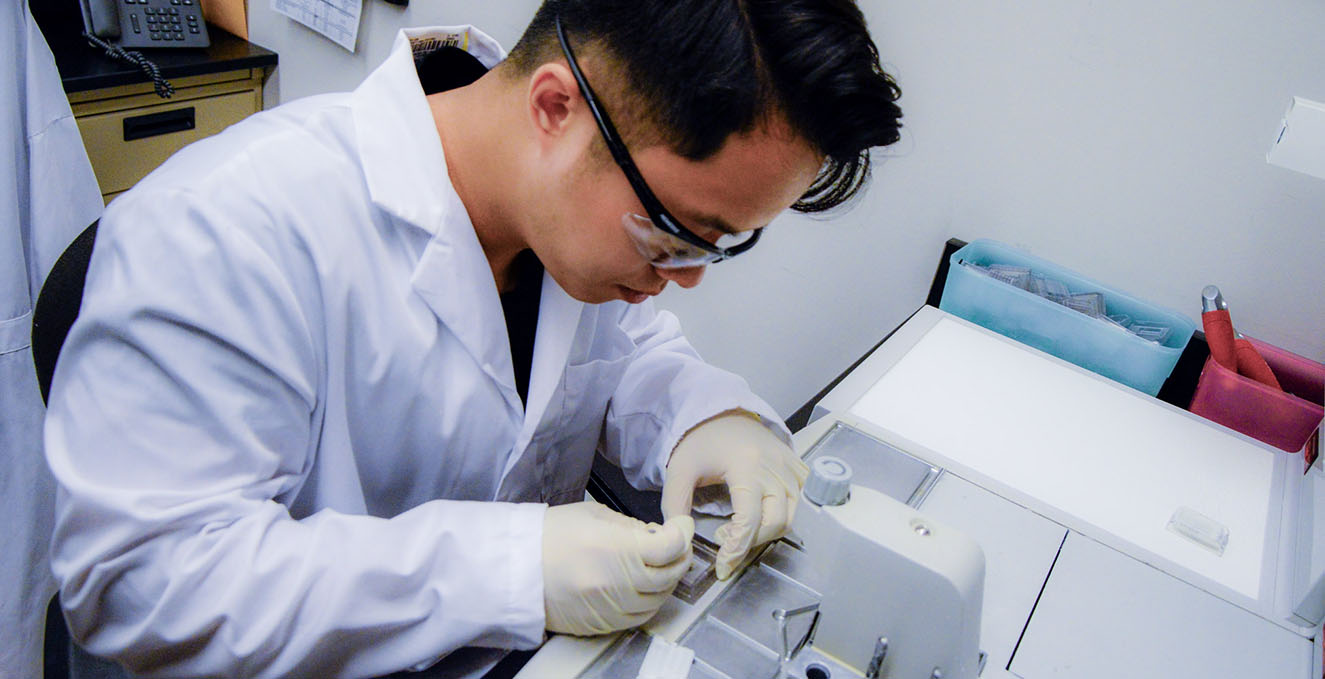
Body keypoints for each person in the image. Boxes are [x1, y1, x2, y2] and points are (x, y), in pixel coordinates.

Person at [43, 0, 903, 677]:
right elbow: (143, 583)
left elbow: (627, 356)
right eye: (677, 234)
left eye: (722, 244)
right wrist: (505, 570)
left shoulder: (567, 223)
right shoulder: (222, 231)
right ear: (557, 106)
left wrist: (710, 418)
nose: (684, 276)